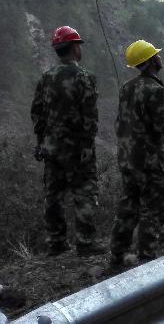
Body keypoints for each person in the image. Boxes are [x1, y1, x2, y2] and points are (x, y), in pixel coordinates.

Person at [30, 25, 103, 256]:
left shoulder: (47, 77)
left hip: (51, 148)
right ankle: (86, 243)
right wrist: (86, 143)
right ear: (74, 48)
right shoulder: (84, 77)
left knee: (53, 196)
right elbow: (90, 115)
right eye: (78, 45)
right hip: (77, 149)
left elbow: (37, 113)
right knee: (84, 193)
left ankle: (56, 243)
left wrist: (42, 141)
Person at [109, 39, 164, 265]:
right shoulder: (156, 90)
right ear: (152, 60)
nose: (160, 57)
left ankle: (117, 252)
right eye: (157, 54)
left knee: (129, 203)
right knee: (153, 206)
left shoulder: (127, 88)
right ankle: (147, 256)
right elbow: (162, 125)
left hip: (127, 158)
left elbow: (121, 123)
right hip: (150, 160)